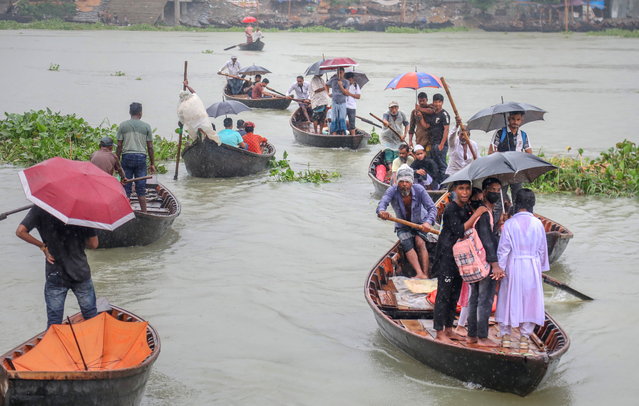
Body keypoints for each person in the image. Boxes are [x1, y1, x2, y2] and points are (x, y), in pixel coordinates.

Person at [16, 206, 99, 328]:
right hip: (79, 270)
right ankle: (94, 342)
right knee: (91, 316)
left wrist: (43, 246)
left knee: (54, 322)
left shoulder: (40, 208)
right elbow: (94, 244)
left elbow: (20, 231)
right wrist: (78, 238)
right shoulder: (82, 210)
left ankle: (53, 345)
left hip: (55, 272)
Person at [431, 180, 488, 342]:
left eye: (467, 189)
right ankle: (439, 332)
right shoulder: (450, 208)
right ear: (454, 190)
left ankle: (449, 328)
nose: (465, 192)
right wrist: (477, 214)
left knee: (455, 293)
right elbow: (459, 230)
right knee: (443, 294)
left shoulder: (466, 207)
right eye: (461, 189)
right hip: (446, 256)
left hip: (460, 258)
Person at [493, 188, 549, 351]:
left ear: (517, 203)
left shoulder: (509, 224)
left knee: (508, 297)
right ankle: (525, 338)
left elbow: (503, 250)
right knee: (530, 300)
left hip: (514, 264)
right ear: (532, 203)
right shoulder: (538, 224)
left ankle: (506, 336)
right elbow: (542, 249)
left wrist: (500, 269)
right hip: (532, 265)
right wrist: (541, 268)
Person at [376, 165, 437, 279]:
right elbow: (382, 204)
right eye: (401, 181)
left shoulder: (419, 189)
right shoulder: (392, 190)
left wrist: (428, 223)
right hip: (402, 225)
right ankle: (419, 273)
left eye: (407, 182)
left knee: (420, 242)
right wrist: (382, 211)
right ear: (397, 182)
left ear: (412, 182)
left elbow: (432, 208)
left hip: (420, 223)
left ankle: (426, 273)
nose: (404, 184)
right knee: (406, 243)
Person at [466, 177, 504, 348]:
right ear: (485, 191)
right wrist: (494, 263)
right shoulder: (483, 213)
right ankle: (481, 336)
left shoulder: (484, 211)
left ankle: (472, 335)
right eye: (492, 190)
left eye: (498, 190)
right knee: (485, 299)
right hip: (484, 262)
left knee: (474, 298)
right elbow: (486, 239)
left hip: (476, 262)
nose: (496, 193)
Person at [116, 102, 155, 213]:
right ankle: (145, 212)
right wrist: (152, 164)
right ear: (140, 113)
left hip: (126, 157)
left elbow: (119, 145)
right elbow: (150, 147)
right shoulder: (146, 126)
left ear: (130, 112)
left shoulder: (123, 125)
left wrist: (116, 162)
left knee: (126, 186)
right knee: (141, 188)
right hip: (141, 158)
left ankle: (124, 212)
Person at [488, 111, 533, 201]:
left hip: (517, 170)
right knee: (500, 197)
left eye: (518, 119)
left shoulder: (523, 135)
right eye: (513, 119)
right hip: (502, 170)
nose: (515, 122)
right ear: (508, 119)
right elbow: (490, 152)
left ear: (521, 120)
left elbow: (529, 154)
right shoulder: (500, 133)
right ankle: (498, 214)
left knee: (517, 198)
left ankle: (516, 214)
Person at [425, 93, 450, 183]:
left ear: (442, 103)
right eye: (435, 102)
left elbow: (446, 129)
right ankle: (436, 183)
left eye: (439, 102)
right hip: (433, 143)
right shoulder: (433, 113)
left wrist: (442, 144)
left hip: (441, 144)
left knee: (442, 164)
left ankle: (445, 183)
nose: (437, 104)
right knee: (434, 164)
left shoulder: (444, 114)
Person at [381, 101, 409, 171]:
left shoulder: (402, 114)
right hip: (387, 137)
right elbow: (384, 120)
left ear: (398, 108)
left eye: (395, 107)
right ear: (389, 108)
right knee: (388, 152)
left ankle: (397, 168)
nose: (393, 110)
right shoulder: (386, 114)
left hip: (398, 137)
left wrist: (405, 135)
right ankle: (391, 169)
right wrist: (386, 123)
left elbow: (406, 125)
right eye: (391, 108)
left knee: (397, 153)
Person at [326, 67, 349, 135]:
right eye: (338, 73)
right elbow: (326, 85)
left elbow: (345, 92)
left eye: (341, 73)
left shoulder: (346, 82)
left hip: (342, 102)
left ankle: (342, 134)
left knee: (342, 119)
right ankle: (334, 134)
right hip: (334, 102)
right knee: (334, 119)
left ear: (343, 73)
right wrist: (328, 93)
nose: (339, 74)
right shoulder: (333, 80)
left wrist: (341, 85)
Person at [344, 72, 361, 136]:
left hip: (352, 107)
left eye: (351, 79)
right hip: (344, 105)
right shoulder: (344, 85)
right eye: (349, 80)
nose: (350, 81)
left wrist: (349, 94)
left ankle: (353, 136)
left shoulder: (356, 86)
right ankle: (342, 134)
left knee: (352, 123)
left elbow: (358, 96)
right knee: (342, 121)